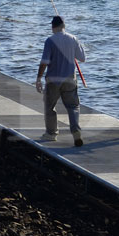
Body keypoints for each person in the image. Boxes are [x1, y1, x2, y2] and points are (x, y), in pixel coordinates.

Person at [35, 15, 86, 146]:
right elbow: (82, 58)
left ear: (53, 27)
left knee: (49, 106)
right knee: (73, 106)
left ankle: (51, 134)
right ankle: (76, 132)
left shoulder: (50, 41)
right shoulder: (73, 38)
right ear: (64, 26)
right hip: (70, 79)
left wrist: (38, 78)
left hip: (53, 80)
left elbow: (44, 62)